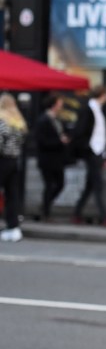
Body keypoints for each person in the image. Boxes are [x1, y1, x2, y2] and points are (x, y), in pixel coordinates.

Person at [72, 85, 106, 226]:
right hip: (92, 151)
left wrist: (105, 154)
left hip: (99, 151)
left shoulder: (100, 111)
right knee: (98, 184)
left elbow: (102, 134)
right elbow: (81, 131)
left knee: (91, 185)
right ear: (102, 95)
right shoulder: (88, 109)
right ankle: (105, 217)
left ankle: (77, 213)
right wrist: (87, 148)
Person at [33, 94, 71, 220]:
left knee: (59, 184)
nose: (61, 105)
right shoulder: (43, 120)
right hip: (47, 158)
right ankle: (45, 211)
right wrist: (59, 141)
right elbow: (41, 141)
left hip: (57, 158)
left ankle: (45, 206)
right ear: (54, 104)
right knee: (49, 185)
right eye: (59, 102)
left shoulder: (57, 119)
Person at [0, 93, 27, 242]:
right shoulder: (18, 122)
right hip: (14, 161)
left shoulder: (1, 121)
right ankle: (13, 227)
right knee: (12, 195)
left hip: (2, 160)